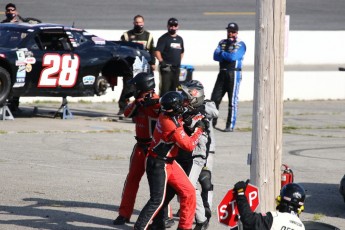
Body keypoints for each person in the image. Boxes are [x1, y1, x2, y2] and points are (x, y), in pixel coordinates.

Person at [134, 91, 207, 230]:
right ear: (175, 108)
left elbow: (175, 112)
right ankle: (139, 227)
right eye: (180, 105)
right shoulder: (172, 126)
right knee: (157, 200)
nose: (183, 106)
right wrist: (199, 130)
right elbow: (189, 145)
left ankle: (185, 228)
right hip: (158, 164)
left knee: (189, 192)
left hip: (170, 162)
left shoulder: (164, 113)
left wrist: (185, 117)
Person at [112, 72, 160, 225]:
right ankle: (124, 214)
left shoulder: (158, 101)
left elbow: (163, 111)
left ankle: (165, 216)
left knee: (158, 186)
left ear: (144, 85)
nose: (133, 87)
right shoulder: (139, 101)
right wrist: (138, 103)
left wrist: (153, 104)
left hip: (154, 149)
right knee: (131, 180)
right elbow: (126, 113)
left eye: (136, 84)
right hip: (139, 146)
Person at [1, 3, 41, 112]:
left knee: (18, 79)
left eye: (12, 10)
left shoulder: (22, 25)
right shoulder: (3, 25)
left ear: (16, 11)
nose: (10, 12)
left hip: (19, 55)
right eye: (8, 10)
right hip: (8, 53)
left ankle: (14, 104)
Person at [117, 15, 156, 115]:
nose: (139, 24)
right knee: (128, 87)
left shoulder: (148, 36)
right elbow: (121, 50)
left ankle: (140, 108)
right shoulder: (126, 35)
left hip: (143, 66)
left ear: (143, 23)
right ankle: (122, 107)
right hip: (130, 66)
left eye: (140, 22)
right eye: (137, 22)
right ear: (134, 23)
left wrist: (153, 63)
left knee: (142, 88)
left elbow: (152, 51)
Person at [211, 22, 246, 132]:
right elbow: (215, 56)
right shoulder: (222, 42)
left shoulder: (241, 44)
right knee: (214, 99)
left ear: (237, 32)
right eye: (229, 31)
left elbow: (233, 57)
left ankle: (230, 125)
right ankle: (212, 123)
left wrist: (223, 54)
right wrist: (224, 54)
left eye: (233, 32)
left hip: (234, 74)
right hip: (222, 73)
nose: (230, 34)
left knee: (232, 101)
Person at [234, 181, 306, 230]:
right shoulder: (301, 227)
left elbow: (249, 220)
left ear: (281, 201)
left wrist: (240, 193)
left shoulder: (274, 218)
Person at [155, 17, 184, 97]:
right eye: (171, 25)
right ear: (168, 26)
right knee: (165, 89)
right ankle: (162, 107)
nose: (173, 27)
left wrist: (178, 62)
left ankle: (173, 107)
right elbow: (157, 51)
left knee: (175, 89)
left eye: (175, 25)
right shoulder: (163, 38)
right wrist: (162, 62)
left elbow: (182, 52)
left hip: (176, 68)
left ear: (178, 26)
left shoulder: (179, 39)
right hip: (166, 68)